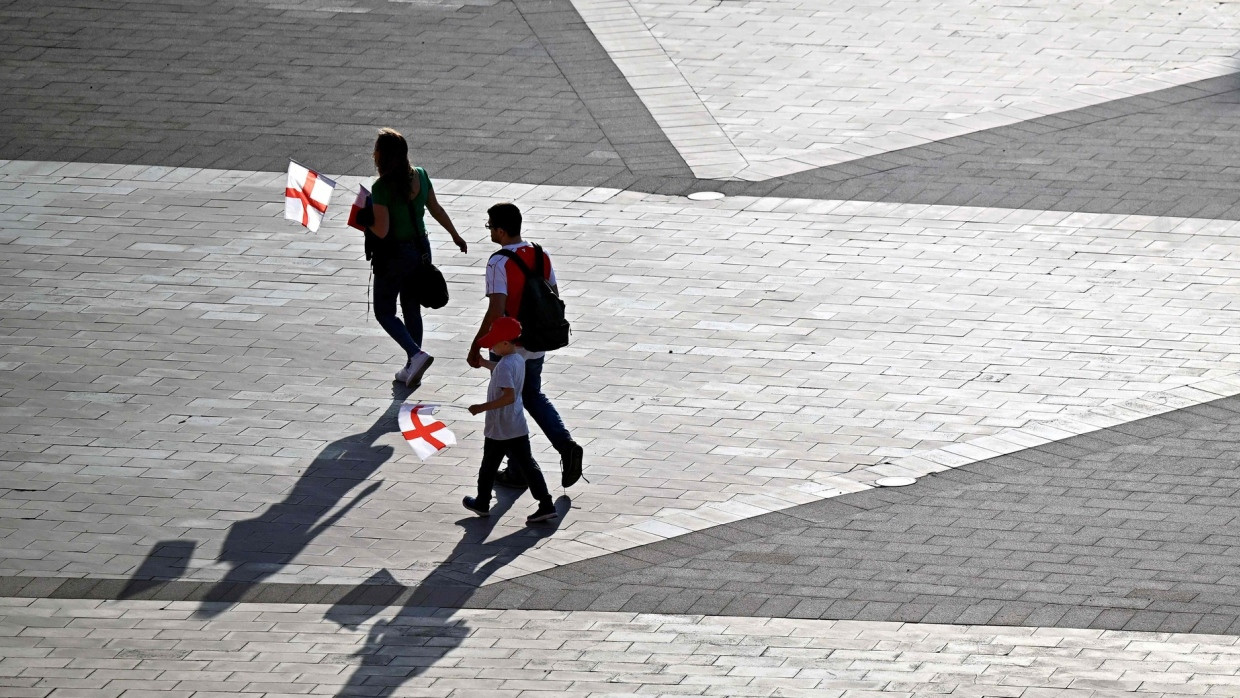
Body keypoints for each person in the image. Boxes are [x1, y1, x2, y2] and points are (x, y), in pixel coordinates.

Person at [467, 202, 583, 487]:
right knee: (531, 395)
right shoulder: (540, 254)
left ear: (502, 230)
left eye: (490, 227)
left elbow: (497, 309)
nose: (490, 232)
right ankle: (565, 446)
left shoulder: (498, 262)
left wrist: (477, 344)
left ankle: (519, 469)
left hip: (509, 343)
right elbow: (553, 294)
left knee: (507, 403)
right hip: (538, 339)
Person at [366, 127, 467, 387]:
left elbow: (382, 229)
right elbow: (435, 209)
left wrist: (363, 220)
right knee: (411, 308)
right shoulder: (420, 175)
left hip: (395, 255)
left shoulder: (381, 187)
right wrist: (455, 235)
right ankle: (414, 364)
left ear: (381, 156)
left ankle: (415, 355)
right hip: (421, 249)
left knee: (384, 311)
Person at [464, 317, 558, 524]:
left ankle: (482, 502)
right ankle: (546, 504)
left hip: (500, 428)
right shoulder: (516, 360)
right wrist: (483, 363)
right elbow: (500, 370)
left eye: (494, 343)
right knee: (528, 465)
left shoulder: (505, 365)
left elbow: (509, 396)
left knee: (488, 467)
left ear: (506, 343)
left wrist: (481, 408)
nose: (491, 346)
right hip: (517, 426)